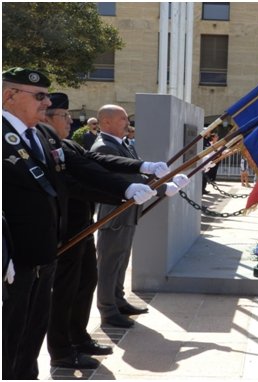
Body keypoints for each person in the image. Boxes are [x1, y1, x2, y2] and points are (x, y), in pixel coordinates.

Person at [2, 67, 157, 379]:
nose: (46, 104)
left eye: (46, 96)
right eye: (40, 96)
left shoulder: (42, 135)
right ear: (9, 96)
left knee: (32, 332)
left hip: (45, 253)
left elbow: (81, 168)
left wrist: (125, 187)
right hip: (12, 259)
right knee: (9, 338)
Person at [43, 93, 180, 369]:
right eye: (64, 116)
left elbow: (100, 165)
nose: (71, 120)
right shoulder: (46, 147)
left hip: (82, 227)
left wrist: (143, 166)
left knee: (86, 283)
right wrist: (123, 194)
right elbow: (76, 184)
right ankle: (61, 350)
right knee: (64, 292)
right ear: (47, 119)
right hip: (64, 232)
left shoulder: (68, 145)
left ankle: (79, 338)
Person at [91, 104, 190, 329]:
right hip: (114, 213)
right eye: (122, 119)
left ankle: (118, 301)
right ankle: (107, 310)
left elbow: (136, 176)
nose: (127, 123)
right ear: (106, 122)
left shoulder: (122, 144)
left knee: (121, 259)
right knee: (109, 263)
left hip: (128, 211)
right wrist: (165, 188)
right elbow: (125, 181)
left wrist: (167, 185)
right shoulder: (104, 147)